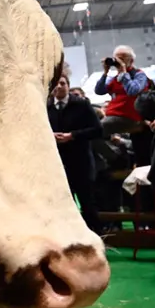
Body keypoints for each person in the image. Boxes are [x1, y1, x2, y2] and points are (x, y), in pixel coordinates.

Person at [47, 74, 103, 234]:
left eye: (62, 83)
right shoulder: (47, 106)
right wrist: (51, 136)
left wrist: (72, 135)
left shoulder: (82, 105)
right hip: (58, 165)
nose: (58, 87)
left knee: (88, 203)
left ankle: (99, 237)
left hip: (81, 162)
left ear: (68, 85)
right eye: (55, 84)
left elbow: (98, 130)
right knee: (64, 204)